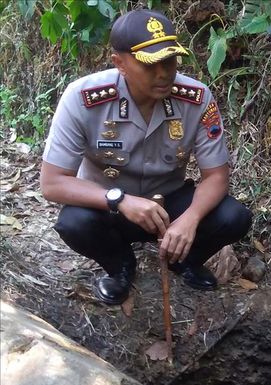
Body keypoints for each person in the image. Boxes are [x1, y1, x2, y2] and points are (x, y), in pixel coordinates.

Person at [40, 9, 252, 305]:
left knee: (234, 217)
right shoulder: (82, 99)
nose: (164, 73)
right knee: (74, 223)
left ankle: (183, 259)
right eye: (150, 64)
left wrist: (189, 219)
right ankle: (121, 266)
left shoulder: (197, 98)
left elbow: (216, 176)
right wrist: (119, 199)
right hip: (110, 206)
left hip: (168, 204)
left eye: (170, 61)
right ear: (120, 63)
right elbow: (52, 184)